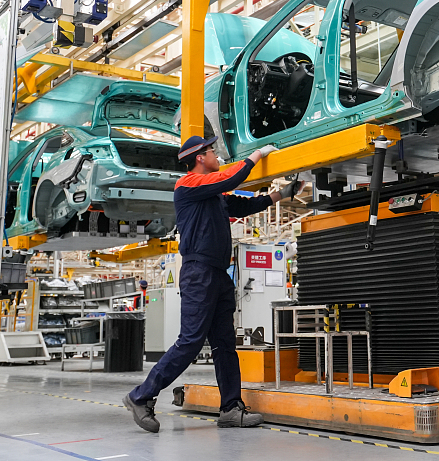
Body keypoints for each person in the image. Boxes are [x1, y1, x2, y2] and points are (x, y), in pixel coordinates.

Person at [123, 136, 304, 433]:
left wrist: (280, 194)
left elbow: (245, 205)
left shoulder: (214, 196)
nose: (217, 155)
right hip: (198, 272)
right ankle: (140, 396)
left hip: (219, 273)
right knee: (191, 340)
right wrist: (257, 154)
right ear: (199, 158)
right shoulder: (189, 185)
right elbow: (232, 176)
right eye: (212, 151)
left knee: (224, 344)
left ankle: (231, 408)